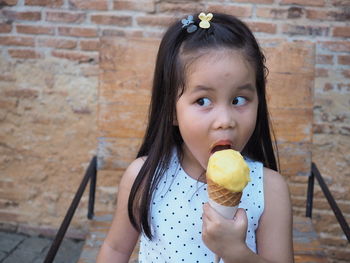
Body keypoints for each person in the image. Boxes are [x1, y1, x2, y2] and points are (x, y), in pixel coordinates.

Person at [97, 12, 294, 263]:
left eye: (238, 100)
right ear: (171, 110)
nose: (225, 120)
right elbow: (116, 249)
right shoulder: (144, 177)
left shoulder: (269, 189)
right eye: (203, 101)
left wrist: (236, 252)